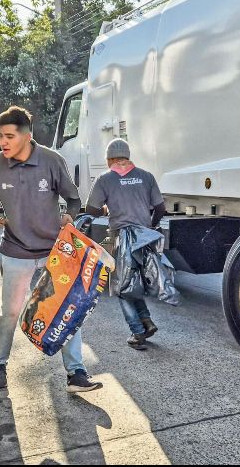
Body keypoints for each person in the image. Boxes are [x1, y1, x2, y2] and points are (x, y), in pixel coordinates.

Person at [0, 105, 103, 393]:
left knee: (67, 308)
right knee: (11, 312)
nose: (2, 142)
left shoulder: (52, 161)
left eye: (8, 136)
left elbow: (73, 198)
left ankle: (76, 373)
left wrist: (70, 214)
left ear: (27, 135)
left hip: (53, 252)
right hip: (15, 250)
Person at [85, 138, 166, 350]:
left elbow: (91, 209)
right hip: (145, 238)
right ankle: (146, 322)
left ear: (110, 158)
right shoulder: (146, 176)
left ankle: (137, 332)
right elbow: (160, 208)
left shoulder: (105, 179)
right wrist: (151, 227)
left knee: (123, 287)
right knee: (134, 283)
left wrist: (106, 209)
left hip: (122, 237)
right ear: (127, 156)